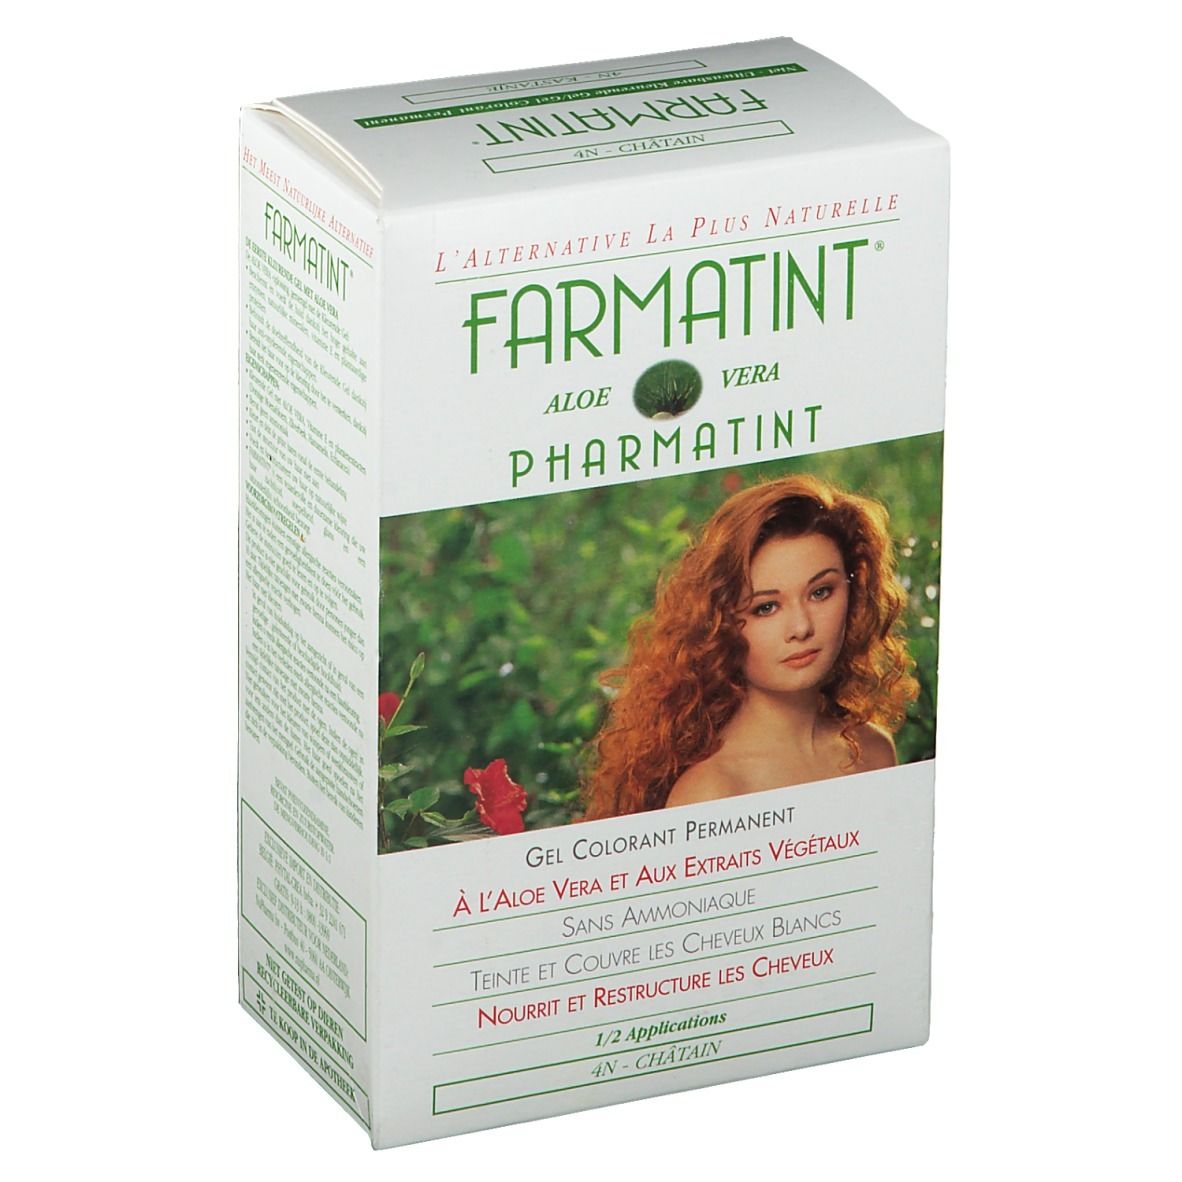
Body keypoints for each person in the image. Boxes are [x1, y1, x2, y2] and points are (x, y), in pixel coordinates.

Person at [581, 474, 917, 818]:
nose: (801, 627)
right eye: (766, 608)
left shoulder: (873, 750)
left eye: (820, 592)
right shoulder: (712, 792)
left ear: (853, 590)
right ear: (720, 623)